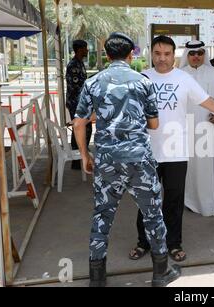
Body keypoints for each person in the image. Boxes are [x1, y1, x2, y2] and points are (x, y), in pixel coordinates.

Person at [129, 36, 214, 262]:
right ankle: (144, 242)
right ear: (151, 54)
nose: (162, 59)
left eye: (167, 54)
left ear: (173, 55)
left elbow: (211, 102)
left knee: (173, 201)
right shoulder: (142, 79)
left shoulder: (184, 79)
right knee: (146, 201)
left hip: (177, 152)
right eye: (158, 54)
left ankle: (173, 243)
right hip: (147, 152)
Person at [73, 32, 181, 287]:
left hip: (108, 160)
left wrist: (85, 155)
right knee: (153, 214)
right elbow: (154, 124)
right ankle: (160, 273)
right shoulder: (143, 82)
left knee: (102, 215)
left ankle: (97, 279)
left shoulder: (93, 83)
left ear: (107, 55)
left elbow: (79, 123)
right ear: (131, 54)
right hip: (139, 160)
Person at [179, 41, 214, 217]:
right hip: (188, 129)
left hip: (210, 127)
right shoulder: (180, 74)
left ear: (204, 55)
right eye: (192, 54)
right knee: (191, 168)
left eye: (200, 53)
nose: (196, 57)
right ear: (187, 55)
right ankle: (191, 201)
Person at [66, 40, 92, 169]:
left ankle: (80, 158)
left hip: (80, 102)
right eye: (85, 48)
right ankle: (78, 160)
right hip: (76, 103)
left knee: (84, 129)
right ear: (80, 49)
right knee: (80, 129)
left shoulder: (80, 63)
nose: (87, 50)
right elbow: (77, 87)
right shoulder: (74, 65)